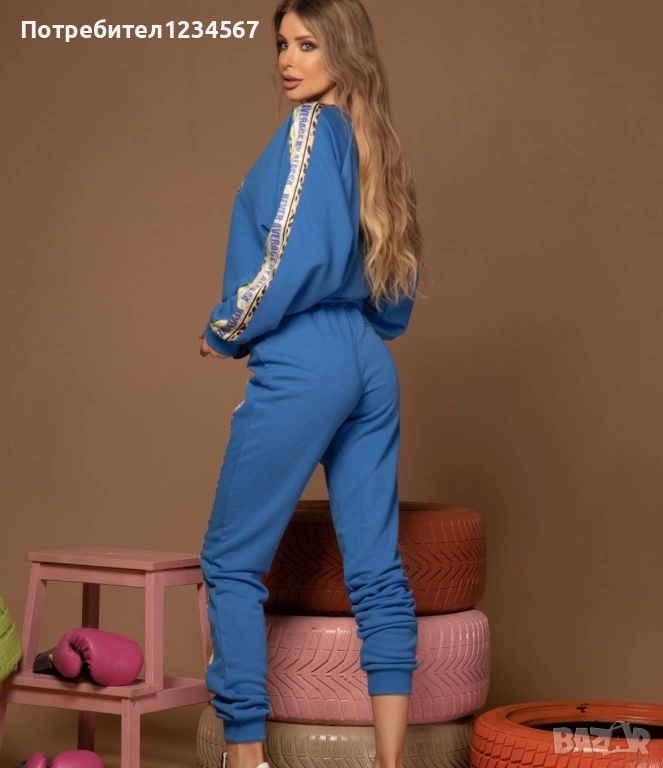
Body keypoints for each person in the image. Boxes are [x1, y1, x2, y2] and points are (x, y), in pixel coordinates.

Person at [199, 2, 426, 768]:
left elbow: (287, 253)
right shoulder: (376, 146)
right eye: (281, 45)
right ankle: (391, 763)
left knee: (231, 563)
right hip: (368, 360)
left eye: (306, 44)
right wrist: (353, 330)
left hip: (306, 358)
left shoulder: (309, 129)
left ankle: (245, 759)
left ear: (343, 52)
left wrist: (225, 327)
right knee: (376, 567)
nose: (286, 61)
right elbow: (395, 300)